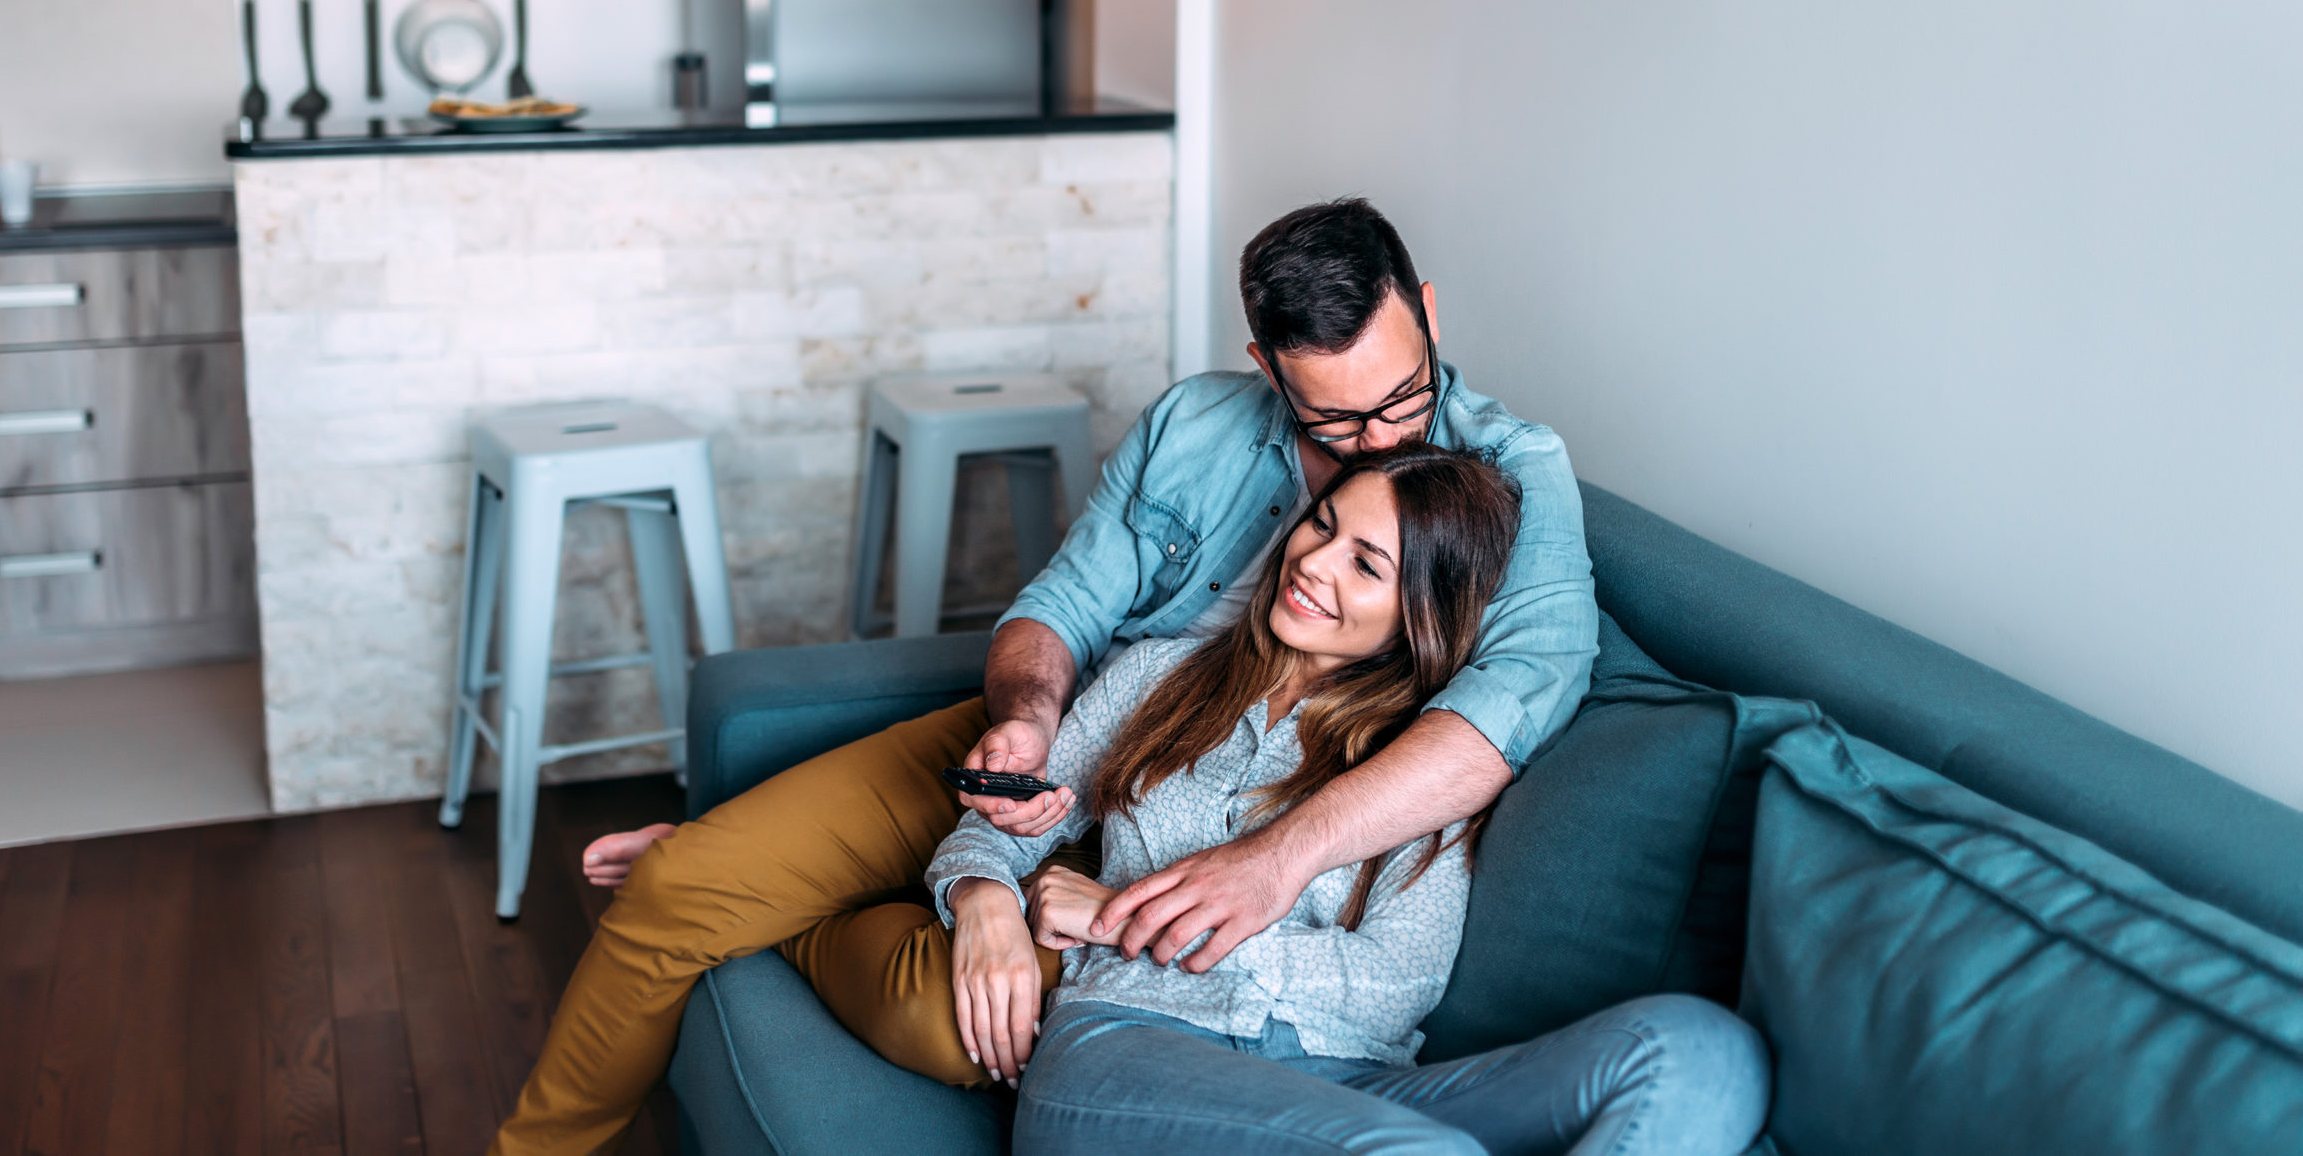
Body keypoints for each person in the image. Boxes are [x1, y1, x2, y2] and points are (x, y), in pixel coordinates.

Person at [492, 199, 1599, 1151]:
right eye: (1334, 417)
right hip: (1091, 731)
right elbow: (1059, 608)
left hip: (1193, 828)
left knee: (964, 1020)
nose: (1377, 438)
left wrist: (1267, 864)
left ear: (1430, 314)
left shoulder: (1510, 474)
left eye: (1403, 396)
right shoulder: (1194, 424)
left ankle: (786, 890)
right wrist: (1025, 718)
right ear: (1268, 370)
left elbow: (1510, 706)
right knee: (677, 893)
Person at [937, 445, 1768, 1155]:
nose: (1312, 561)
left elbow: (1395, 981)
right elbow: (997, 830)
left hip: (1353, 1083)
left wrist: (1124, 915)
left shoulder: (1426, 762)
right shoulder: (1159, 677)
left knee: (1705, 1050)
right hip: (1126, 1045)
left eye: (1365, 563)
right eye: (1322, 525)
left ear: (1421, 615)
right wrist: (983, 900)